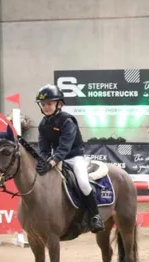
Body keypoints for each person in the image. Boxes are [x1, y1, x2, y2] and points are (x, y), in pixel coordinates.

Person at [35, 84, 103, 233]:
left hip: (74, 157)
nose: (46, 107)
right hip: (56, 158)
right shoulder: (43, 124)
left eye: (50, 104)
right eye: (43, 104)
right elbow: (44, 148)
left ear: (58, 104)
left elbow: (65, 147)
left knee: (83, 183)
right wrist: (44, 160)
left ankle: (95, 216)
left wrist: (52, 162)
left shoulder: (67, 121)